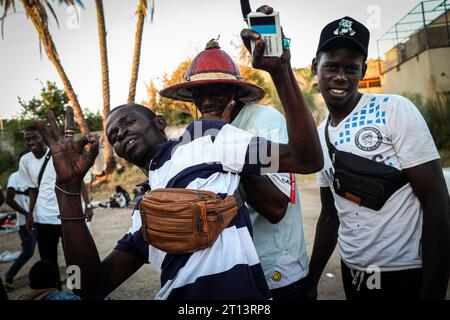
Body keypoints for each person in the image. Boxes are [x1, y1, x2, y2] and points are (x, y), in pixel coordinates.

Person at [36, 21, 323, 299]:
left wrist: (281, 71)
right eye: (113, 134)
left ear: (159, 122)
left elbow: (305, 161)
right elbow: (89, 288)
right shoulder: (145, 208)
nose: (121, 132)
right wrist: (69, 190)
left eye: (129, 121)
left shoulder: (206, 137)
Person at [159, 7, 312, 299]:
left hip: (278, 270)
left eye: (218, 89)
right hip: (237, 273)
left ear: (235, 91)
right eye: (200, 93)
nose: (208, 99)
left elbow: (276, 208)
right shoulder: (199, 134)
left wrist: (222, 145)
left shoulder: (264, 123)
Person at [307, 16, 450, 300]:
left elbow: (437, 201)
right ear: (315, 66)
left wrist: (433, 291)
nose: (340, 77)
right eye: (332, 66)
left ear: (362, 71)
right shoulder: (320, 136)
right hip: (354, 273)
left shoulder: (393, 109)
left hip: (405, 272)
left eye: (351, 68)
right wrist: (311, 279)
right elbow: (329, 215)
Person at [19, 125, 94, 281]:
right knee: (48, 259)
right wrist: (30, 214)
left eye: (34, 137)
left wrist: (87, 205)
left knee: (73, 258)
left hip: (67, 216)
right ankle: (54, 291)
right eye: (27, 139)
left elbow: (78, 180)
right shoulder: (25, 161)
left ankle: (77, 291)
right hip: (43, 218)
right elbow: (33, 188)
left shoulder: (58, 154)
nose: (31, 141)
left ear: (43, 138)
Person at [4, 167, 37, 291]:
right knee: (28, 251)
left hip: (40, 219)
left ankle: (53, 277)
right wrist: (27, 214)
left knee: (47, 248)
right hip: (25, 223)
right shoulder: (15, 177)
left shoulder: (35, 175)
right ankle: (9, 275)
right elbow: (8, 200)